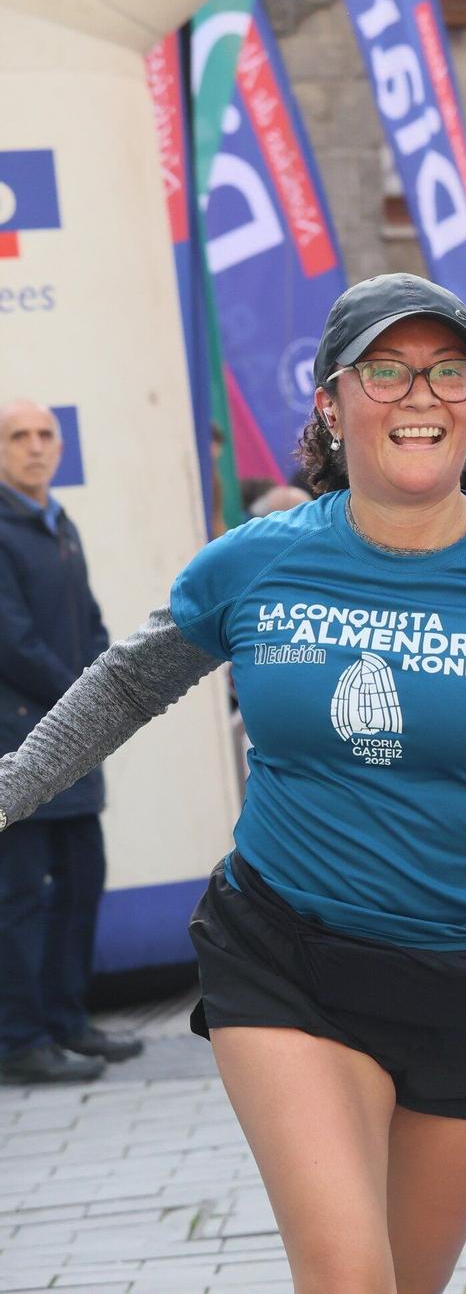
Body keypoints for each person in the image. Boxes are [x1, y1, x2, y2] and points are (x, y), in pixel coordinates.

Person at [0, 274, 466, 1288]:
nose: (420, 395)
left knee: (404, 1278)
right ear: (330, 400)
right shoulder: (256, 564)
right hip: (286, 953)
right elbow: (129, 680)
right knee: (350, 1277)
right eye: (385, 371)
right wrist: (10, 785)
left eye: (448, 371)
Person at [0, 400, 144, 1085]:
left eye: (44, 434)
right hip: (18, 749)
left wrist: (101, 681)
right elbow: (12, 639)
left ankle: (66, 1021)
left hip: (73, 742)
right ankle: (18, 1039)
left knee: (82, 880)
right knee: (20, 895)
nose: (34, 446)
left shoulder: (61, 525)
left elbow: (88, 621)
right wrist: (85, 698)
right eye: (17, 435)